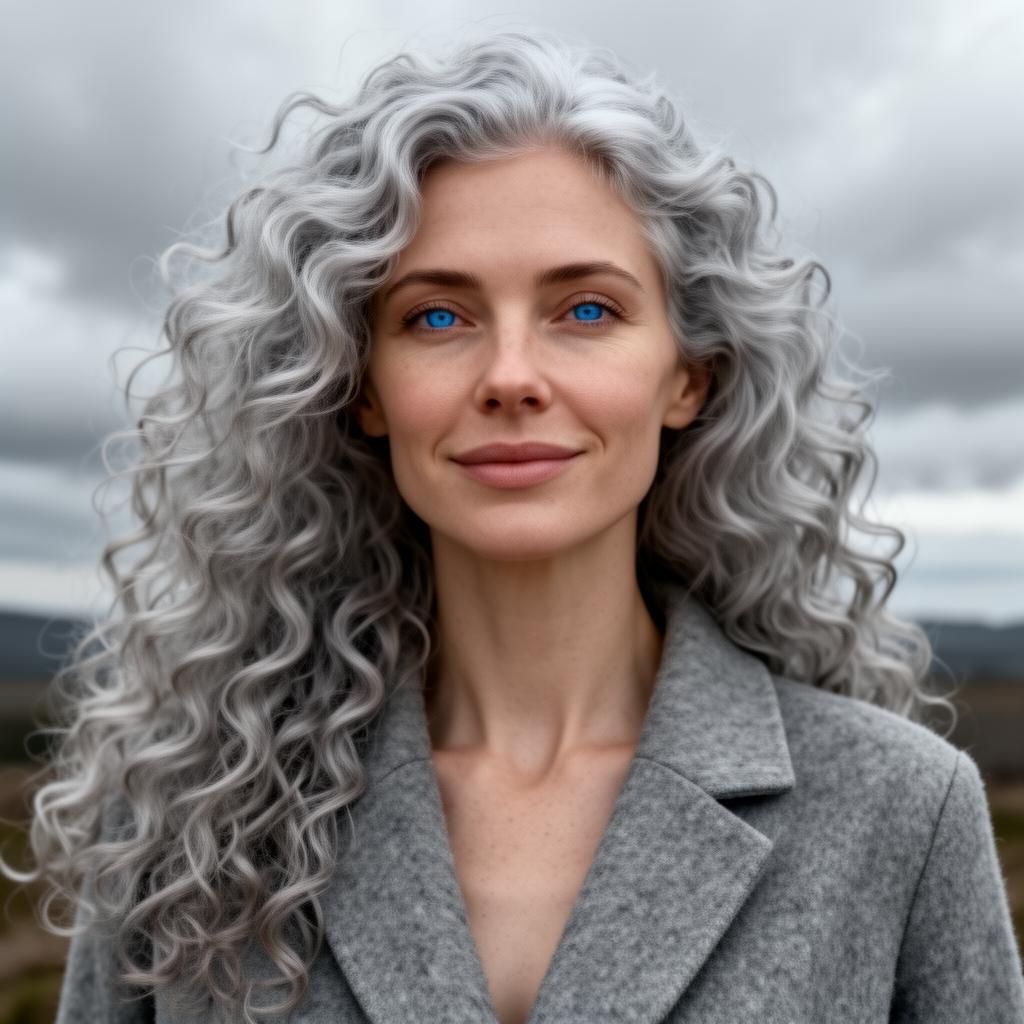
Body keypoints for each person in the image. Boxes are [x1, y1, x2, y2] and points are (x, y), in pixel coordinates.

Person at [4, 26, 1022, 1024]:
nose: (510, 378)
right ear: (361, 388)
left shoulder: (900, 808)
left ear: (688, 375)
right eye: (436, 317)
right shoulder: (192, 816)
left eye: (585, 310)